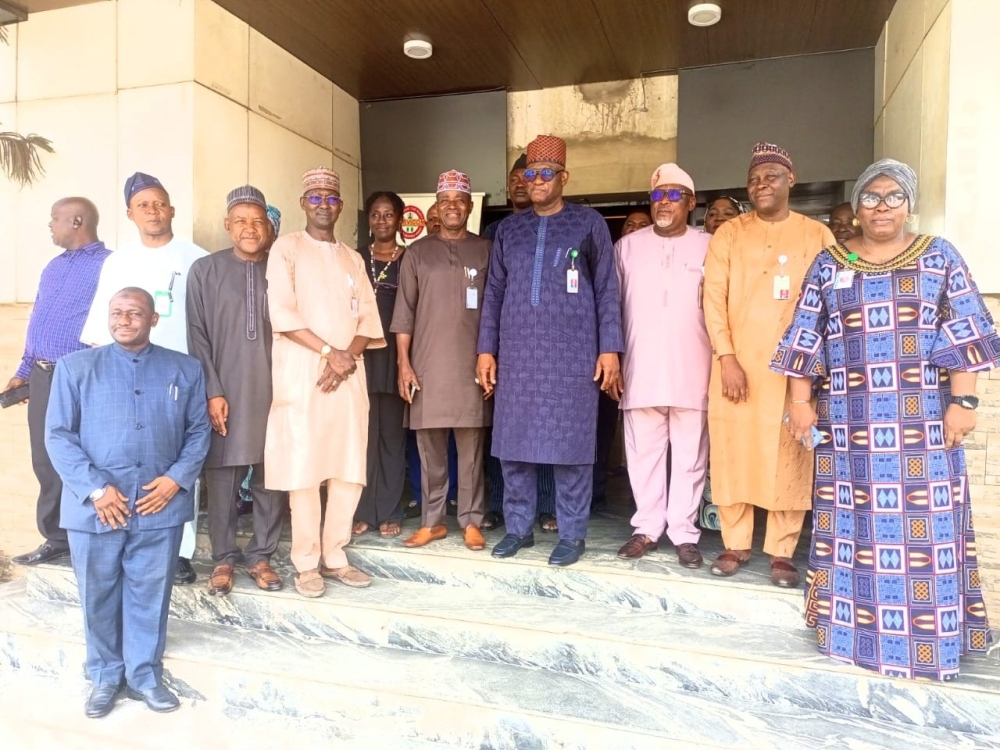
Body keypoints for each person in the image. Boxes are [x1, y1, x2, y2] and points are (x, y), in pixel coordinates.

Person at [773, 158, 997, 679]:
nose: (881, 207)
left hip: (922, 425)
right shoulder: (830, 262)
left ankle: (927, 644)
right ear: (857, 207)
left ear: (909, 205)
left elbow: (966, 330)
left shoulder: (939, 256)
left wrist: (964, 402)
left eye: (893, 196)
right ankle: (848, 634)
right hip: (848, 427)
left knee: (926, 532)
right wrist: (800, 403)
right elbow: (805, 334)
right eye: (871, 197)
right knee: (851, 527)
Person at [45, 287, 210, 717]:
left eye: (134, 313)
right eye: (116, 312)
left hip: (158, 506)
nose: (123, 320)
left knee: (150, 594)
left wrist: (176, 480)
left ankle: (144, 676)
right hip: (94, 509)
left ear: (153, 319)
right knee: (97, 595)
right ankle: (104, 677)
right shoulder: (75, 367)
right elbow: (58, 436)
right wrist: (96, 490)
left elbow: (198, 432)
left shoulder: (185, 369)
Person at [477, 134, 624, 567]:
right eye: (531, 174)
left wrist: (609, 349)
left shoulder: (589, 223)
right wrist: (486, 350)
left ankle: (572, 535)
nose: (536, 181)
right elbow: (494, 293)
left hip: (573, 356)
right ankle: (518, 529)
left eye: (546, 173)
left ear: (564, 177)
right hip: (518, 355)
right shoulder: (509, 230)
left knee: (572, 448)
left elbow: (607, 290)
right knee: (514, 445)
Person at [703, 142, 835, 588]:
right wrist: (726, 356)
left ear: (790, 180)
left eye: (771, 177)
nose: (762, 185)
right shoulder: (729, 233)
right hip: (736, 366)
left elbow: (833, 301)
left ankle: (781, 551)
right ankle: (735, 543)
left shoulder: (817, 235)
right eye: (754, 179)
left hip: (795, 373)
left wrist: (817, 368)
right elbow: (713, 299)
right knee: (733, 450)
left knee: (790, 454)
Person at [80, 172, 208, 586]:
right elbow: (101, 328)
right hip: (124, 373)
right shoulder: (118, 262)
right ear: (130, 214)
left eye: (159, 204)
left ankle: (181, 550)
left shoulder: (197, 259)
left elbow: (210, 325)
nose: (153, 211)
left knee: (179, 460)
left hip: (180, 374)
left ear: (172, 209)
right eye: (143, 205)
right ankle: (123, 537)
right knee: (127, 455)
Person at [264, 167, 385, 598]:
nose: (323, 204)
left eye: (330, 198)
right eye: (314, 197)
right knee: (304, 466)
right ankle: (305, 562)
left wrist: (345, 357)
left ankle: (335, 555)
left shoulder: (353, 258)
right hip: (303, 373)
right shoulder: (286, 248)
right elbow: (282, 312)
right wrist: (329, 353)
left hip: (348, 374)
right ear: (303, 203)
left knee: (348, 465)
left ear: (340, 206)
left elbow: (368, 319)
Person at [186, 185, 285, 597]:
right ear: (228, 225)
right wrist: (212, 390)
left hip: (278, 389)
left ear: (269, 227)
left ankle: (261, 555)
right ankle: (223, 558)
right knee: (223, 474)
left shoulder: (283, 269)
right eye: (241, 221)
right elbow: (197, 335)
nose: (250, 228)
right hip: (224, 389)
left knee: (272, 473)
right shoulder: (204, 270)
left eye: (258, 221)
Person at [6, 198, 111, 567]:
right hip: (41, 375)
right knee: (45, 458)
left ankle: (89, 535)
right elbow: (39, 316)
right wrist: (24, 368)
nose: (50, 225)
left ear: (77, 221)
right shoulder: (53, 266)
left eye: (55, 219)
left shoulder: (109, 264)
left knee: (81, 457)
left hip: (80, 376)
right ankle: (56, 538)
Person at [616, 164, 711, 567]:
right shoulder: (627, 247)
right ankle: (647, 528)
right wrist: (613, 358)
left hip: (695, 369)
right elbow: (610, 308)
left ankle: (684, 533)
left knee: (691, 457)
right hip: (641, 368)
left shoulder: (711, 245)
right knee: (643, 456)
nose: (664, 203)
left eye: (674, 195)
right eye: (658, 195)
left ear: (691, 203)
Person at [394, 171, 492, 551]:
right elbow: (404, 314)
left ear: (469, 206)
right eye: (445, 200)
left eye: (459, 200)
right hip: (427, 366)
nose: (452, 206)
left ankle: (471, 521)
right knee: (430, 448)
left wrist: (492, 357)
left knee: (471, 450)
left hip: (473, 366)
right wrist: (404, 364)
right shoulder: (417, 253)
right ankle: (432, 522)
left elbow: (496, 310)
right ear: (436, 207)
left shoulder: (485, 250)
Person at [481, 153, 557, 533]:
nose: (521, 183)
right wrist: (487, 349)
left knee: (546, 426)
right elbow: (490, 293)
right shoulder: (495, 232)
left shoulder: (561, 226)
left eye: (528, 176)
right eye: (515, 178)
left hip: (548, 351)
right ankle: (498, 504)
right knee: (505, 430)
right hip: (506, 349)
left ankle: (546, 506)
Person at [354, 191, 407, 537]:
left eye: (389, 214)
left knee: (391, 439)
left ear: (400, 219)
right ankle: (361, 511)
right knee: (361, 439)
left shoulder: (411, 259)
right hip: (359, 357)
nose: (382, 220)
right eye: (376, 214)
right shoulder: (355, 258)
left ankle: (389, 511)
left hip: (396, 358)